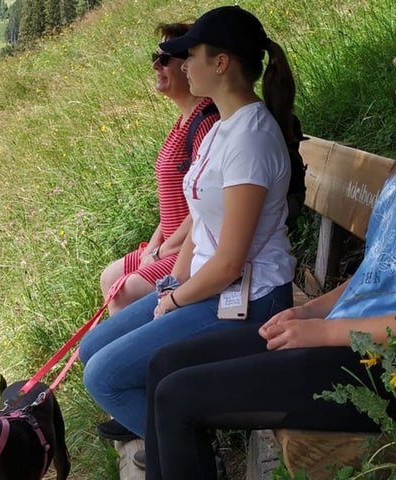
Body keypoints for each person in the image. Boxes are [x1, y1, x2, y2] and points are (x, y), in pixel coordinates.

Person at [142, 1, 396, 478]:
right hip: (345, 336)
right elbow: (378, 269)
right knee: (165, 364)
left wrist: (323, 331)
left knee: (179, 396)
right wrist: (310, 310)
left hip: (393, 370)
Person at [80, 5, 304, 458]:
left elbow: (228, 263)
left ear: (221, 63)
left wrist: (174, 301)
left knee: (102, 376)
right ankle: (174, 439)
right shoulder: (223, 128)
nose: (183, 66)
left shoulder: (251, 139)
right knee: (91, 350)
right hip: (212, 291)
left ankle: (189, 451)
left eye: (192, 55)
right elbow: (202, 224)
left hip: (250, 301)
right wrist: (172, 283)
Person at [100, 22, 219, 316]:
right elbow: (170, 205)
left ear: (188, 64)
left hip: (189, 249)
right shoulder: (183, 122)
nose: (156, 65)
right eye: (155, 57)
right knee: (109, 277)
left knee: (124, 292)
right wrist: (154, 247)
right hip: (169, 244)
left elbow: (204, 205)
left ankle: (134, 354)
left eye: (165, 58)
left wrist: (161, 252)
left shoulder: (206, 123)